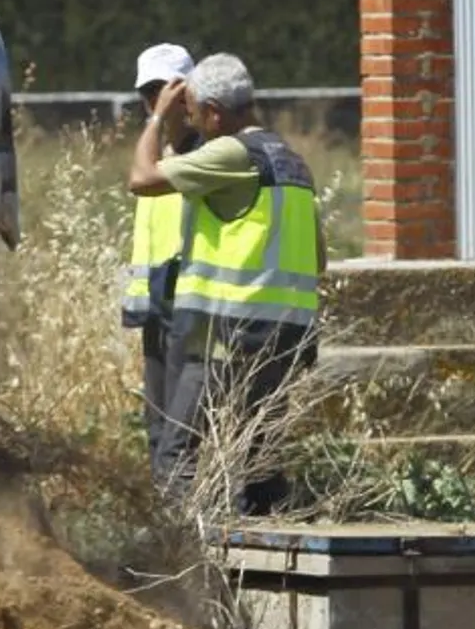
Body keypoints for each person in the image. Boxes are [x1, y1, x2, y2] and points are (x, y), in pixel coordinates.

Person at [125, 51, 328, 516]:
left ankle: (195, 565)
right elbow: (319, 257)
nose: (190, 120)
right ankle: (270, 553)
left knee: (177, 454)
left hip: (229, 334)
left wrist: (157, 119)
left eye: (193, 111)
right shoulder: (293, 163)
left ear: (214, 114)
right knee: (259, 460)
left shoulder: (232, 152)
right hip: (287, 337)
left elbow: (141, 178)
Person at [120, 42, 198, 468]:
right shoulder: (156, 152)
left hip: (189, 304)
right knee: (158, 427)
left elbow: (140, 180)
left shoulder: (204, 152)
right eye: (150, 92)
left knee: (180, 434)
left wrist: (155, 119)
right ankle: (168, 525)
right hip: (156, 306)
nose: (159, 101)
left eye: (167, 89)